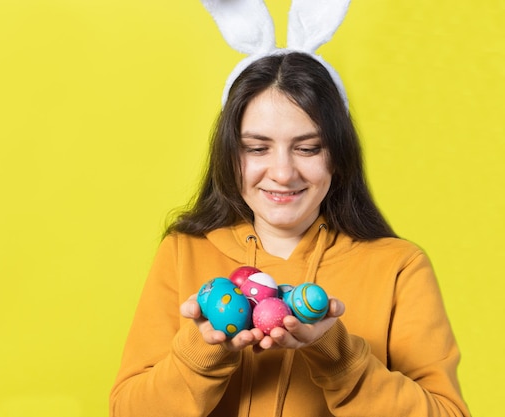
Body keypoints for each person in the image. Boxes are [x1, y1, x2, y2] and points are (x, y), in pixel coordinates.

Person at [109, 52, 470, 416]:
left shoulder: (399, 267)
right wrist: (201, 350)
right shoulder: (183, 252)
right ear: (229, 155)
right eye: (257, 148)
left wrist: (337, 355)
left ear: (338, 156)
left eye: (308, 148)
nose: (283, 173)